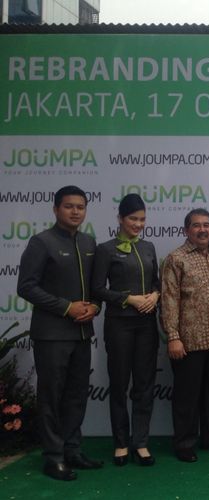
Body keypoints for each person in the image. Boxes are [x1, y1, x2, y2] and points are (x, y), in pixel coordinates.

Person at [17, 185, 102, 481]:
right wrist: (67, 307)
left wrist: (96, 306)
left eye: (80, 206)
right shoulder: (41, 242)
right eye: (69, 206)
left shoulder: (90, 242)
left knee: (77, 395)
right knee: (52, 396)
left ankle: (72, 450)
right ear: (55, 209)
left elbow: (96, 288)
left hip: (82, 335)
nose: (75, 211)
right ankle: (53, 457)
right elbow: (26, 287)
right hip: (52, 335)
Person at [160, 208, 209, 462]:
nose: (202, 229)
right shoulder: (176, 258)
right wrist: (173, 336)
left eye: (207, 225)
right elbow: (169, 300)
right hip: (188, 342)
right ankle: (184, 443)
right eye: (196, 225)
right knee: (186, 396)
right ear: (187, 230)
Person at [92, 193, 160, 467]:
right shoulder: (106, 249)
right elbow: (97, 289)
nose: (138, 224)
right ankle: (121, 442)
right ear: (120, 218)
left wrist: (155, 296)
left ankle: (140, 442)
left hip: (146, 325)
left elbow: (157, 282)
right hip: (119, 323)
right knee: (120, 384)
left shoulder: (148, 247)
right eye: (133, 218)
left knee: (144, 384)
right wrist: (128, 299)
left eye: (142, 219)